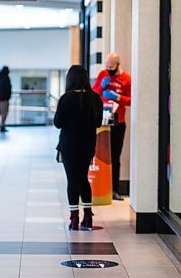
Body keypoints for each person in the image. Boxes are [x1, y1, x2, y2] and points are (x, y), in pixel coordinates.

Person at [54, 65, 103, 230]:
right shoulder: (95, 99)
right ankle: (88, 216)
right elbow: (97, 123)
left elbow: (57, 123)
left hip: (69, 145)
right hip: (88, 145)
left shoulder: (65, 99)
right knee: (83, 178)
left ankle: (74, 218)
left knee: (72, 180)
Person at [93, 53, 131, 201]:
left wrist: (118, 98)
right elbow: (94, 92)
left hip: (118, 122)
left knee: (115, 157)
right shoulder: (102, 74)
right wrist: (101, 88)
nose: (109, 69)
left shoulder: (126, 79)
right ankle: (100, 186)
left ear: (118, 65)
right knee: (100, 156)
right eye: (107, 66)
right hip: (102, 121)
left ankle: (114, 189)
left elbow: (131, 100)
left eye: (111, 67)